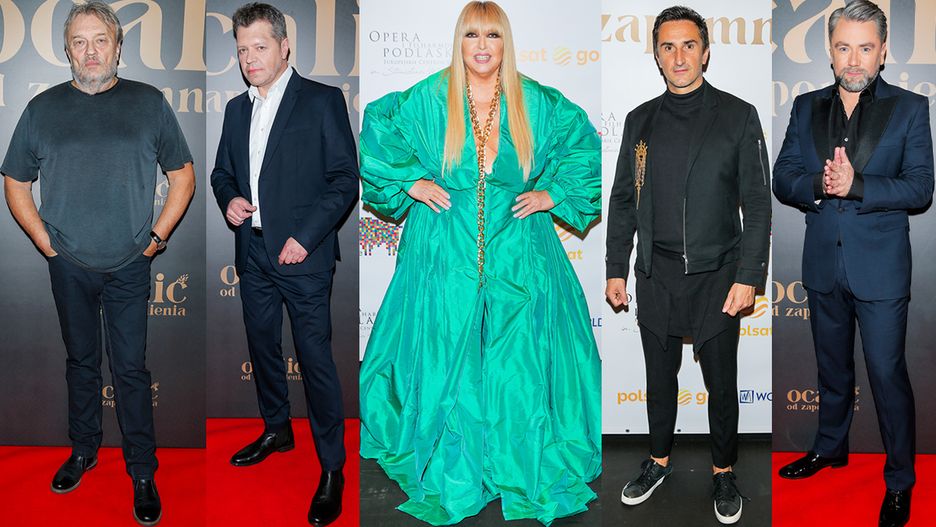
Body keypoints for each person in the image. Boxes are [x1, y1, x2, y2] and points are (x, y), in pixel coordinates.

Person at [358, 1, 601, 524]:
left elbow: (584, 144)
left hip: (520, 251)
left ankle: (517, 460)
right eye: (472, 35)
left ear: (505, 41)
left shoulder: (536, 101)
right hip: (444, 250)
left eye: (492, 35)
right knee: (453, 360)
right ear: (460, 42)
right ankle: (458, 463)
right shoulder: (430, 97)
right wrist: (410, 181)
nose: (482, 46)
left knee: (517, 366)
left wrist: (554, 194)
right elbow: (377, 127)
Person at [1, 2, 195, 525]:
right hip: (67, 263)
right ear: (68, 50)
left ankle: (142, 470)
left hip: (131, 263)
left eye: (100, 40)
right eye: (79, 42)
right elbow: (15, 182)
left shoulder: (149, 102)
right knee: (81, 363)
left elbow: (183, 176)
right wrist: (45, 242)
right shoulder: (42, 109)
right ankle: (83, 450)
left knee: (131, 369)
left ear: (117, 47)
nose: (90, 52)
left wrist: (156, 238)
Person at [605, 5, 771, 525]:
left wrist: (748, 276)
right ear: (656, 55)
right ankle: (657, 461)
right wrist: (615, 267)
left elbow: (758, 204)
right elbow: (623, 201)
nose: (679, 56)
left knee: (721, 383)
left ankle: (724, 470)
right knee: (659, 380)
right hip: (656, 274)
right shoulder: (640, 120)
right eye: (668, 46)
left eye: (689, 45)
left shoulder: (738, 115)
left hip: (718, 275)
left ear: (706, 51)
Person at [773, 2, 933, 526]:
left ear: (883, 51)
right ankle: (830, 447)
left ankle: (901, 480)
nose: (854, 59)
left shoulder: (910, 108)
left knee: (886, 374)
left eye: (865, 48)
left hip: (880, 269)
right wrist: (819, 184)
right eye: (844, 47)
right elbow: (783, 176)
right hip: (823, 263)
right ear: (830, 50)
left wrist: (857, 185)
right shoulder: (805, 107)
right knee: (831, 368)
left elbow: (920, 187)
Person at [209, 3, 359, 526]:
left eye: (260, 47)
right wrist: (229, 198)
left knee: (314, 360)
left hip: (304, 257)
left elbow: (344, 179)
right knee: (262, 348)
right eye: (242, 49)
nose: (250, 58)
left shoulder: (321, 100)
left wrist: (305, 237)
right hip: (252, 253)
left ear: (284, 46)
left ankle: (333, 467)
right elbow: (221, 173)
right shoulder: (235, 109)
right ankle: (277, 429)